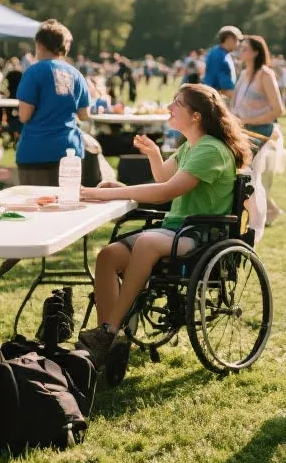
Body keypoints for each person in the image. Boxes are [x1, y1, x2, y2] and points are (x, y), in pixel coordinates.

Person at [76, 84, 251, 367]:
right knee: (107, 257)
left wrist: (103, 192)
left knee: (146, 242)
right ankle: (109, 338)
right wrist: (154, 154)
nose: (169, 107)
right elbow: (163, 178)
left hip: (200, 235)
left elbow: (165, 192)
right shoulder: (190, 147)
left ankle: (108, 331)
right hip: (175, 229)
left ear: (195, 116)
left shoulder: (212, 150)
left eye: (177, 103)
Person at [15, 20, 91, 186]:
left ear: (40, 43)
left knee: (36, 207)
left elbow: (24, 115)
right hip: (70, 149)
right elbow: (84, 115)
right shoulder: (76, 73)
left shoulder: (33, 72)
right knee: (67, 204)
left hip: (37, 151)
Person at [232, 35, 286, 224]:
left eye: (245, 49)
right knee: (247, 176)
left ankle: (257, 219)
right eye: (240, 49)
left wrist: (249, 119)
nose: (241, 52)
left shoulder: (265, 74)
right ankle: (268, 210)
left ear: (256, 51)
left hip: (260, 132)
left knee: (251, 176)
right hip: (242, 131)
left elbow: (278, 110)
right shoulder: (243, 73)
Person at [202, 26, 243, 100]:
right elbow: (220, 83)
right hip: (217, 98)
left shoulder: (223, 53)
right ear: (229, 39)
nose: (238, 44)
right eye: (236, 40)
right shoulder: (218, 55)